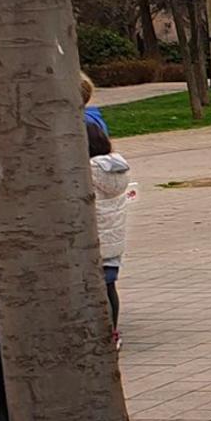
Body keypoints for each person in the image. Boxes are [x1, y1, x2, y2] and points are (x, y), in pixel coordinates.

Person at [89, 121, 131, 350]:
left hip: (93, 242)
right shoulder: (116, 169)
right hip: (113, 243)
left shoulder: (85, 172)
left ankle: (100, 334)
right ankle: (112, 333)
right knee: (108, 287)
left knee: (94, 291)